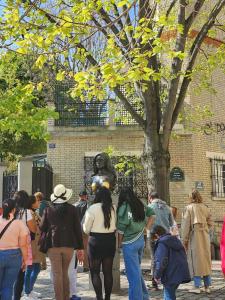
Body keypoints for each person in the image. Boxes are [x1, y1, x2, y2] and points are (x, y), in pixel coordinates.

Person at [39, 184, 84, 300]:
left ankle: (59, 298)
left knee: (57, 274)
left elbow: (42, 227)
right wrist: (81, 247)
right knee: (65, 273)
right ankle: (66, 297)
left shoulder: (48, 209)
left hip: (53, 245)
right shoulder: (73, 209)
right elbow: (77, 229)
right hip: (69, 245)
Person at [117, 188, 155, 300]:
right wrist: (146, 228)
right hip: (140, 241)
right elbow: (152, 215)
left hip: (129, 243)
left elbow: (121, 230)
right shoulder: (140, 204)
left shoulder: (124, 208)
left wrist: (119, 244)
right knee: (136, 272)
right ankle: (144, 296)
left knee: (132, 275)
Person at [83, 187, 116, 300]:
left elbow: (86, 229)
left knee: (95, 271)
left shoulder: (92, 208)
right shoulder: (113, 208)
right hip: (110, 240)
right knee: (108, 272)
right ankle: (107, 297)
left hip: (95, 241)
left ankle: (99, 297)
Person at [182, 189, 212, 294]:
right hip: (205, 236)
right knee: (205, 260)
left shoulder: (188, 208)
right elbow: (210, 222)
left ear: (191, 197)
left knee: (196, 261)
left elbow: (185, 226)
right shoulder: (205, 207)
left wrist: (184, 240)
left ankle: (197, 286)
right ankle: (207, 286)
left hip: (195, 237)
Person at [0, 199, 28, 300]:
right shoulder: (19, 224)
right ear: (14, 210)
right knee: (8, 287)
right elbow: (23, 245)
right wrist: (25, 259)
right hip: (14, 257)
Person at [153, 225, 191, 300]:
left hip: (170, 275)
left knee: (169, 295)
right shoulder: (176, 240)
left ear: (156, 235)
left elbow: (161, 262)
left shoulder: (162, 243)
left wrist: (156, 275)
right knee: (169, 293)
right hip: (180, 273)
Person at [148, 191, 174, 290]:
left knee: (154, 257)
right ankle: (165, 280)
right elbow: (171, 223)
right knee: (165, 257)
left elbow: (146, 221)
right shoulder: (167, 207)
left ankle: (154, 282)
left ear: (150, 197)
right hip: (165, 235)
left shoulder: (149, 207)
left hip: (153, 235)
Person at [13, 190, 35, 300]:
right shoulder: (27, 212)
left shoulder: (11, 212)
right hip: (24, 245)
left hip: (10, 244)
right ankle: (16, 297)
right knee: (20, 274)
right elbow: (33, 229)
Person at [23, 195, 44, 299]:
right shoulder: (29, 212)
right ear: (31, 203)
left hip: (36, 243)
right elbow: (34, 229)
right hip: (31, 244)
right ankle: (27, 292)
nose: (39, 202)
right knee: (30, 268)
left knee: (36, 268)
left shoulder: (33, 212)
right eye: (37, 201)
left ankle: (29, 290)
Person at [74, 190, 89, 271]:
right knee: (85, 247)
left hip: (76, 229)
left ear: (79, 196)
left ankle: (75, 265)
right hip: (85, 228)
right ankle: (86, 266)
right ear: (86, 196)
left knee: (76, 247)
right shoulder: (88, 205)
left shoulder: (74, 205)